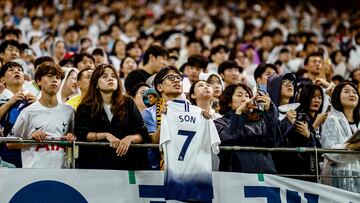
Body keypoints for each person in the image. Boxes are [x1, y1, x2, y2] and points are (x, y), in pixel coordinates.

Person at [74, 64, 148, 170]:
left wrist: (130, 138)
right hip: (95, 165)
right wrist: (105, 135)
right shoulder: (85, 106)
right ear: (96, 84)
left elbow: (142, 133)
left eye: (113, 76)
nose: (110, 79)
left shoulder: (128, 103)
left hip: (126, 164)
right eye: (104, 76)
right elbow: (81, 133)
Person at [6, 62, 75, 168]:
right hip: (34, 175)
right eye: (49, 76)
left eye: (58, 77)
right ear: (38, 81)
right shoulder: (28, 111)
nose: (54, 80)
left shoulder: (69, 111)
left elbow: (74, 140)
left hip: (62, 174)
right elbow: (10, 143)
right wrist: (30, 139)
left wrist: (72, 137)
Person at [214, 83, 280, 173]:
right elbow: (227, 140)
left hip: (265, 176)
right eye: (239, 95)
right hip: (235, 177)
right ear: (229, 102)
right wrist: (239, 113)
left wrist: (270, 111)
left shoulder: (260, 122)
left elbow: (274, 140)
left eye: (247, 96)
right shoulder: (219, 122)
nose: (245, 99)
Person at [321, 82, 360, 193]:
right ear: (337, 96)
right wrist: (353, 146)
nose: (352, 94)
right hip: (339, 179)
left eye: (354, 92)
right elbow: (329, 151)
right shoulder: (332, 120)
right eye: (346, 91)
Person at [0, 62, 36, 167]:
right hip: (6, 158)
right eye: (11, 70)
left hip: (31, 157)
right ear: (2, 80)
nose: (16, 71)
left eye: (19, 70)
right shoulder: (2, 100)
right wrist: (10, 102)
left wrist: (38, 105)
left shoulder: (34, 99)